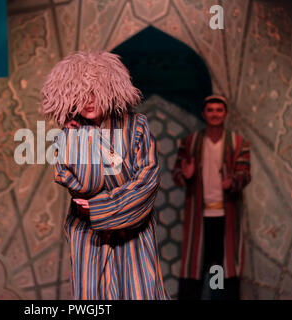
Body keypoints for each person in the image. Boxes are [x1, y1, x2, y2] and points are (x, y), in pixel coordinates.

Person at [40, 51, 169, 300]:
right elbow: (84, 183)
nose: (89, 100)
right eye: (80, 93)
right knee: (92, 297)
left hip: (135, 232)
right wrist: (80, 139)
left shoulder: (137, 126)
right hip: (87, 234)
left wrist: (101, 206)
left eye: (96, 91)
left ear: (112, 89)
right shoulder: (68, 136)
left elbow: (148, 179)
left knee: (139, 290)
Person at [172, 95, 251, 300]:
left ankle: (216, 298)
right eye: (210, 110)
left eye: (219, 110)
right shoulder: (191, 142)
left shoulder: (237, 143)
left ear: (225, 114)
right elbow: (177, 173)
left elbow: (244, 174)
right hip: (198, 215)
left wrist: (232, 182)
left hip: (225, 216)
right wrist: (186, 175)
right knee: (195, 262)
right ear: (204, 114)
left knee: (220, 264)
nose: (215, 114)